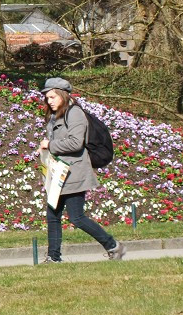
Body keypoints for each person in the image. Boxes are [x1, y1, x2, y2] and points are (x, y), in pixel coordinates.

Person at [39, 77, 126, 263]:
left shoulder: (75, 113)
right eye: (47, 97)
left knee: (76, 217)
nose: (49, 101)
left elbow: (76, 143)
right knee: (53, 215)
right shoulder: (56, 116)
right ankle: (53, 257)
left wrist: (51, 144)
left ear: (63, 95)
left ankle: (113, 246)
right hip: (58, 173)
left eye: (52, 96)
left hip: (74, 172)